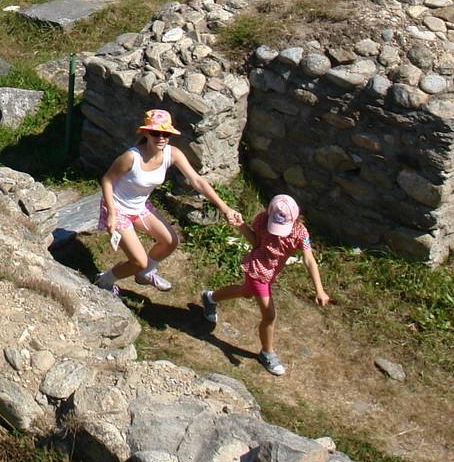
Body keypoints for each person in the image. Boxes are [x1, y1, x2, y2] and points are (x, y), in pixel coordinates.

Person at [96, 108, 243, 294]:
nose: (161, 138)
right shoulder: (131, 157)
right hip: (117, 208)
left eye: (166, 134)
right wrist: (112, 213)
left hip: (139, 207)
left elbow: (197, 181)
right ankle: (104, 281)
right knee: (138, 261)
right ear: (146, 133)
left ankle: (144, 274)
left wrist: (225, 208)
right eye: (156, 133)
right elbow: (107, 180)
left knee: (170, 242)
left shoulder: (172, 154)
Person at [200, 193, 332, 376]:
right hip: (257, 271)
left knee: (245, 292)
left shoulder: (301, 233)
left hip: (270, 274)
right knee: (269, 316)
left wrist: (320, 290)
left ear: (295, 218)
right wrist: (242, 226)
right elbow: (256, 242)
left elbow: (309, 260)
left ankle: (210, 297)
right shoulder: (262, 220)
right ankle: (267, 353)